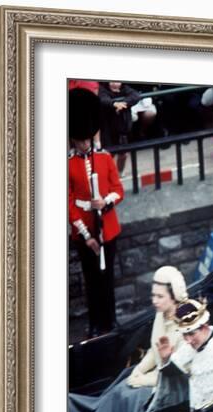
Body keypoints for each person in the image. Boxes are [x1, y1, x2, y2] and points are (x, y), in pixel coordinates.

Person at [69, 266, 189, 412]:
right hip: (153, 375)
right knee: (120, 387)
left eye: (160, 296)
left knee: (126, 395)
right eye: (153, 295)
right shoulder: (161, 314)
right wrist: (140, 369)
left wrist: (142, 380)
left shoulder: (185, 328)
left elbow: (176, 372)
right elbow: (154, 350)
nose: (154, 301)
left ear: (174, 296)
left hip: (170, 388)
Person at [68, 88, 124, 337]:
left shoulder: (105, 158)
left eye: (87, 139)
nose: (85, 144)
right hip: (84, 233)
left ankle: (110, 320)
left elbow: (118, 189)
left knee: (107, 278)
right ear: (73, 139)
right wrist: (85, 233)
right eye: (80, 140)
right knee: (91, 281)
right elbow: (68, 202)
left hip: (108, 228)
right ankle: (94, 324)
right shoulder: (68, 165)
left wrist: (106, 202)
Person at [98, 81, 141, 173]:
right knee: (108, 154)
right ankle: (109, 174)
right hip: (107, 128)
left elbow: (136, 95)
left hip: (121, 127)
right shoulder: (102, 89)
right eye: (112, 81)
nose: (115, 84)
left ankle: (119, 173)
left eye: (117, 82)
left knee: (123, 154)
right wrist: (114, 104)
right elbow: (103, 99)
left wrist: (123, 103)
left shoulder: (125, 88)